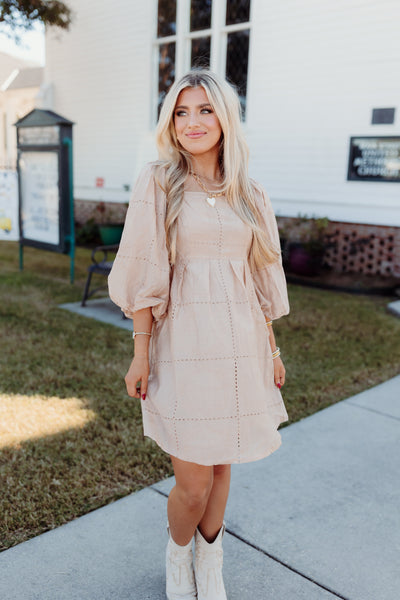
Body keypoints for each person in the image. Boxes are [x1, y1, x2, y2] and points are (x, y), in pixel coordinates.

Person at [108, 69, 289, 600]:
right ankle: (178, 553)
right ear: (171, 122)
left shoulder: (249, 193)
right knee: (194, 482)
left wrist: (273, 349)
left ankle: (211, 564)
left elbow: (259, 277)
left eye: (205, 110)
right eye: (181, 112)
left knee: (221, 464)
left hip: (240, 347)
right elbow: (144, 270)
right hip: (182, 345)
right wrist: (139, 353)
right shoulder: (159, 182)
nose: (192, 122)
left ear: (225, 119)